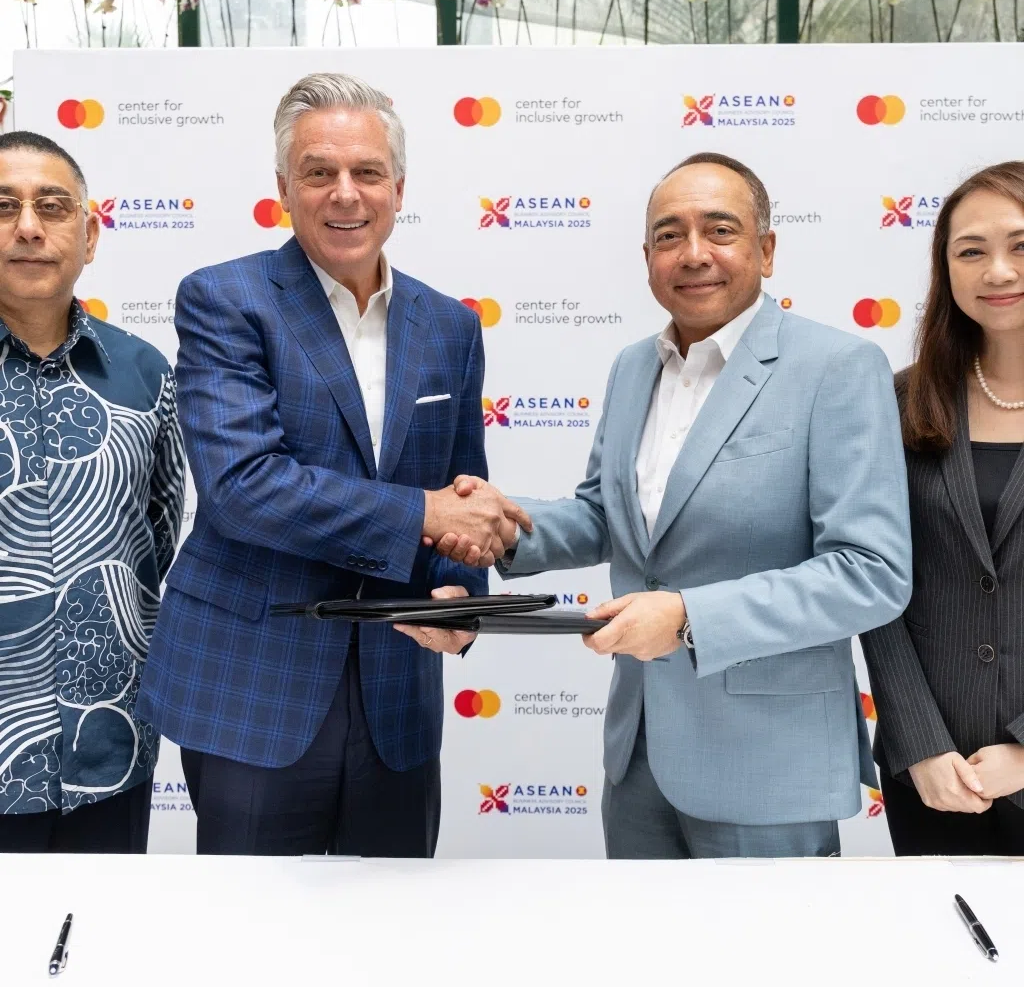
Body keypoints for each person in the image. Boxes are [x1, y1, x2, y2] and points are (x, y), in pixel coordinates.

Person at [420, 152, 911, 859]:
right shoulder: (633, 367)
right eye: (670, 235)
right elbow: (604, 517)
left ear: (766, 250)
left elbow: (870, 573)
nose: (694, 253)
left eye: (720, 230)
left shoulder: (836, 369)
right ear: (647, 257)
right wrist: (500, 526)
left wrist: (688, 619)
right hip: (639, 755)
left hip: (766, 769)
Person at [138, 73, 527, 857]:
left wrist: (462, 599)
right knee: (250, 944)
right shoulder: (225, 299)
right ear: (284, 187)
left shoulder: (450, 325)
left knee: (391, 941)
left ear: (399, 187)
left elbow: (464, 488)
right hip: (252, 690)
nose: (345, 194)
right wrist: (423, 516)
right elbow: (245, 488)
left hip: (397, 696)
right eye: (320, 172)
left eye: (367, 173)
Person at [0, 131, 185, 852]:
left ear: (90, 232)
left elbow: (157, 537)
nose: (28, 227)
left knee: (104, 952)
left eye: (52, 206)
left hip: (108, 754)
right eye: (5, 207)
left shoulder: (145, 376)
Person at [860, 161, 1024, 856]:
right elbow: (873, 584)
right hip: (935, 777)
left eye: (1021, 245)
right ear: (946, 269)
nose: (998, 271)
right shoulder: (899, 402)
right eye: (971, 251)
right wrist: (920, 745)